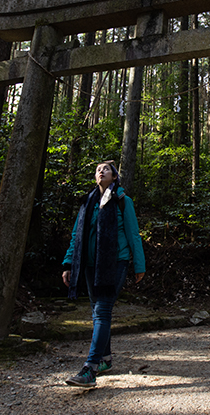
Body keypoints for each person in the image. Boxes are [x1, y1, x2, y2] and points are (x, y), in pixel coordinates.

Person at [61, 161, 145, 388]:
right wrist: (69, 263)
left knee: (102, 309)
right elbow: (76, 236)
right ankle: (106, 359)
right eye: (98, 169)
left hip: (115, 261)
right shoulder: (87, 202)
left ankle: (91, 368)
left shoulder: (122, 201)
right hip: (89, 264)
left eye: (106, 169)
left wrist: (139, 265)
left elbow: (133, 233)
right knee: (96, 309)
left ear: (115, 176)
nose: (101, 171)